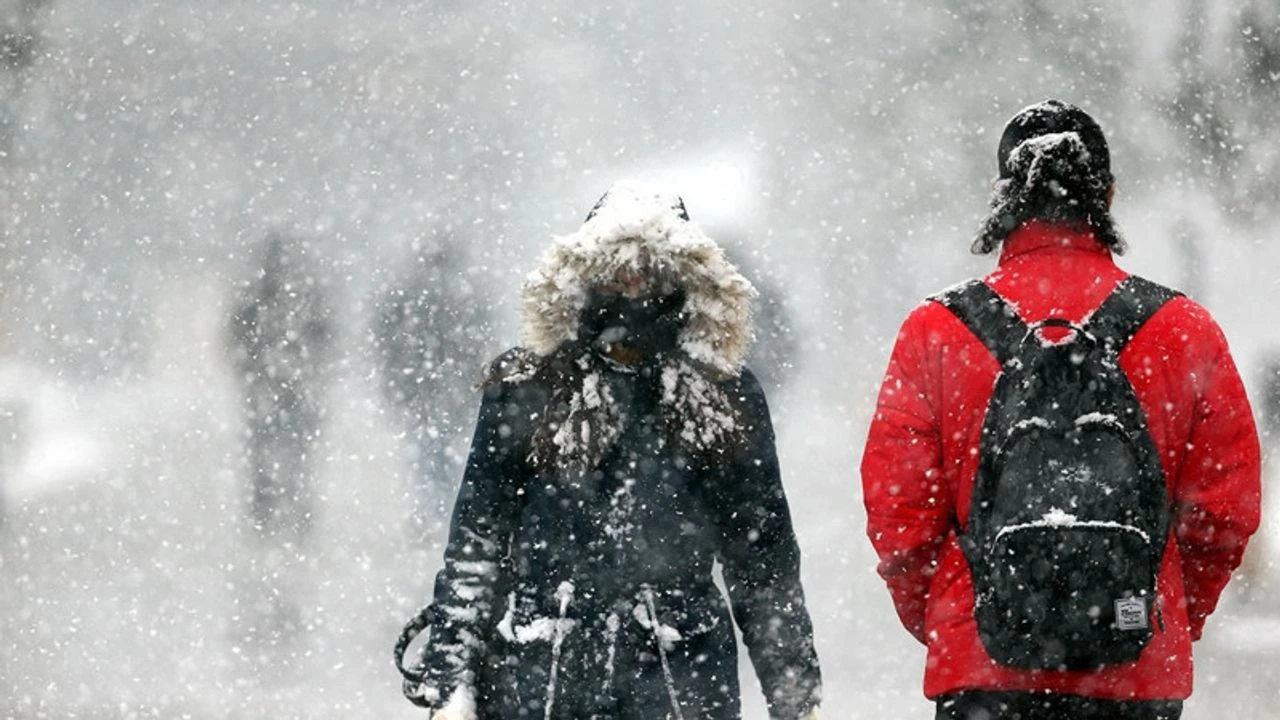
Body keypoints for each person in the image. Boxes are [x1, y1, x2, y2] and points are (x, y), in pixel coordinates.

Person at [861, 100, 1261, 720]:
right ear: (1107, 193)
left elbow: (901, 517)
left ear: (1002, 197)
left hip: (983, 673)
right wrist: (1161, 605)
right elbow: (1223, 513)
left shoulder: (935, 331)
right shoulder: (1183, 330)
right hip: (1136, 671)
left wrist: (957, 614)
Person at [396, 181, 823, 720]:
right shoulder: (528, 385)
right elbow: (478, 547)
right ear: (584, 274)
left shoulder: (725, 394)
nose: (633, 283)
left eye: (651, 268)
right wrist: (449, 684)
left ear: (687, 278)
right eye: (618, 268)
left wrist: (795, 695)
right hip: (541, 675)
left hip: (680, 678)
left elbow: (762, 563)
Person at [227, 231, 335, 543]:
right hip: (294, 386)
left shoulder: (255, 296)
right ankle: (295, 506)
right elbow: (325, 336)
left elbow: (235, 337)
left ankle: (266, 506)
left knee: (265, 449)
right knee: (297, 450)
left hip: (267, 386)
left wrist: (250, 367)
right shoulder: (305, 294)